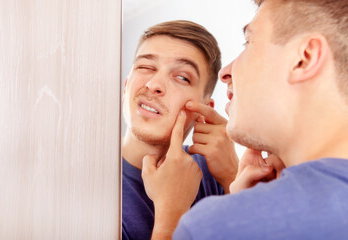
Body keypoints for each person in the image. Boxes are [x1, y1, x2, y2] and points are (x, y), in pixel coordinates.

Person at [141, 0, 348, 239]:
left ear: (305, 58)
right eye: (145, 66)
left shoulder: (216, 226)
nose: (225, 72)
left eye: (248, 43)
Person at [122, 20, 239, 240]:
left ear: (203, 111)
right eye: (146, 67)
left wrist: (233, 175)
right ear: (126, 87)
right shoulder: (84, 180)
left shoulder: (211, 172)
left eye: (182, 77)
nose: (154, 84)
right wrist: (171, 213)